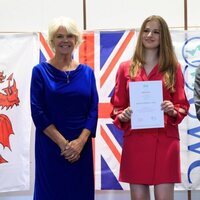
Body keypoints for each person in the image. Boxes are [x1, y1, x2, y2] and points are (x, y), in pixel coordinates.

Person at [110, 15, 189, 200]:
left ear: (164, 37)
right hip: (136, 140)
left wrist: (173, 109)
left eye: (156, 32)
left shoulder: (173, 67)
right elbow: (117, 106)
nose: (149, 35)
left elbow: (183, 105)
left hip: (165, 141)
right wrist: (123, 115)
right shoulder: (125, 68)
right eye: (146, 30)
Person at [30, 16, 98, 200]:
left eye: (69, 35)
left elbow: (93, 110)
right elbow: (38, 112)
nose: (65, 40)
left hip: (81, 148)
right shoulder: (40, 72)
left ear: (76, 40)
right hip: (51, 146)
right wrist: (64, 145)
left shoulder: (87, 73)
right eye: (59, 36)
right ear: (52, 41)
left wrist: (80, 143)